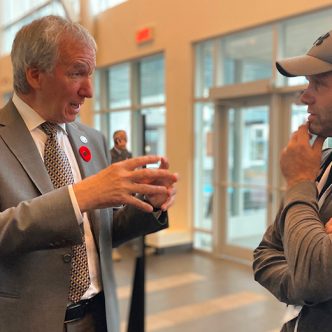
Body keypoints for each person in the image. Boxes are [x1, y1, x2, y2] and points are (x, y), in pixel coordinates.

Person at [0, 15, 178, 332]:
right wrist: (78, 197)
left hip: (99, 318)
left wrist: (149, 203)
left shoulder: (91, 139)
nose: (89, 91)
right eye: (77, 73)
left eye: (91, 74)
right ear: (35, 75)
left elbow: (99, 234)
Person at [253, 30, 332, 332]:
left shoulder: (306, 171)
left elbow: (315, 277)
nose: (304, 96)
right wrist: (307, 276)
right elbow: (265, 254)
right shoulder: (321, 162)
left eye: (318, 83)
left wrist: (299, 180)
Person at [110, 130, 132, 261]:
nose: (125, 140)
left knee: (126, 214)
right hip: (114, 189)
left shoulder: (128, 154)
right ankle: (114, 248)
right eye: (122, 138)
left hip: (127, 189)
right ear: (116, 140)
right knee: (114, 216)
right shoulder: (109, 154)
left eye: (126, 137)